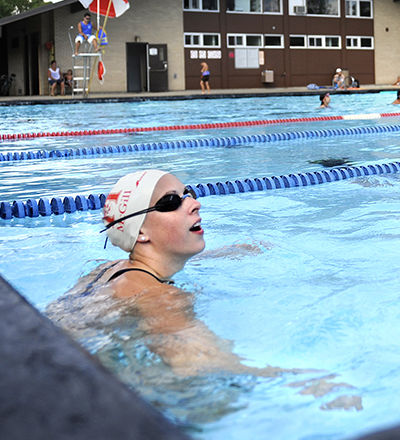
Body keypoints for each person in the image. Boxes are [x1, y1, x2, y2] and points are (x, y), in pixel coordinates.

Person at [46, 170, 361, 409]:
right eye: (172, 202)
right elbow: (200, 365)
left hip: (47, 366)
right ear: (140, 232)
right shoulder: (158, 295)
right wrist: (306, 383)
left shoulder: (106, 271)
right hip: (76, 399)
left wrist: (228, 252)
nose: (194, 204)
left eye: (189, 193)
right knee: (216, 408)